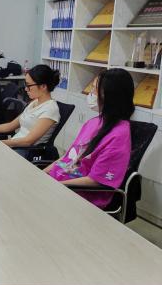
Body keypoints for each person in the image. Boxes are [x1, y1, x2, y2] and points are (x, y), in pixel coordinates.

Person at [45, 68, 133, 209]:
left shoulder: (119, 136)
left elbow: (95, 180)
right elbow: (68, 158)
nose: (90, 94)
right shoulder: (94, 122)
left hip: (80, 196)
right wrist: (43, 174)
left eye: (94, 89)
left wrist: (56, 185)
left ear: (110, 96)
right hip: (59, 183)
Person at [0, 64, 61, 148]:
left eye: (29, 86)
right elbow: (10, 126)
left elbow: (27, 141)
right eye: (26, 85)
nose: (26, 89)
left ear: (43, 86)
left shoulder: (50, 109)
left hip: (26, 150)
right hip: (15, 144)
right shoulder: (35, 102)